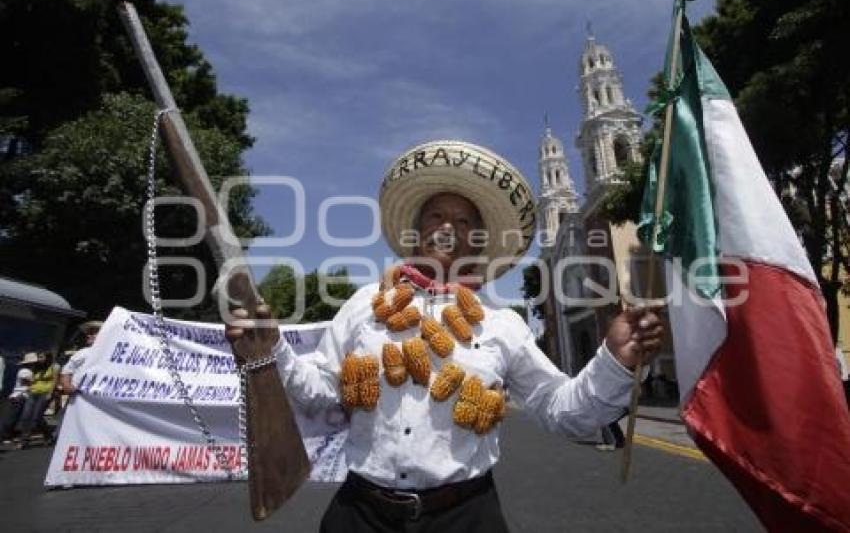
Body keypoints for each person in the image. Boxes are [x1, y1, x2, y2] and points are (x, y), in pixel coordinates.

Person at [225, 141, 664, 532]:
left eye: (463, 219)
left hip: (466, 514)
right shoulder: (364, 304)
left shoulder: (502, 323)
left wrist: (614, 360)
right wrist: (272, 351)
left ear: (478, 239)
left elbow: (563, 411)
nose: (447, 226)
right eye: (436, 214)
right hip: (361, 513)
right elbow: (318, 391)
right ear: (416, 230)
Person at [16, 352, 60, 448]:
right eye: (38, 357)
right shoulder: (36, 367)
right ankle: (24, 441)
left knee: (36, 417)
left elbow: (55, 381)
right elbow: (31, 380)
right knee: (26, 416)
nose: (39, 359)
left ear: (47, 357)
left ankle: (48, 435)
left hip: (45, 393)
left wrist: (50, 393)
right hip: (33, 392)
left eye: (41, 357)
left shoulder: (54, 367)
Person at [0, 353, 37, 444]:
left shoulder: (24, 370)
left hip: (20, 395)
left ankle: (8, 435)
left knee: (15, 417)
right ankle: (4, 435)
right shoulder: (25, 371)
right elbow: (28, 381)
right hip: (19, 395)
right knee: (12, 418)